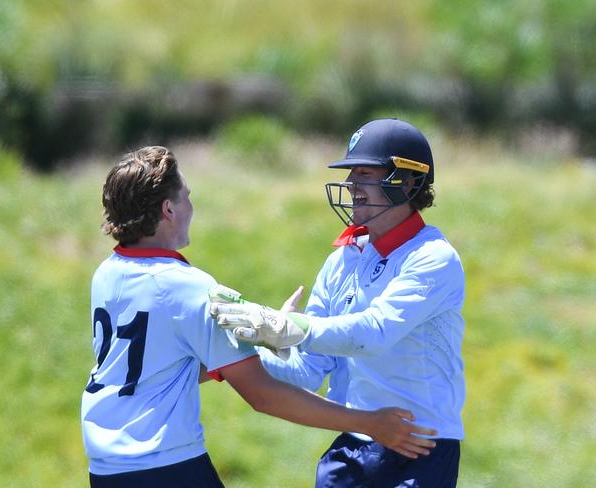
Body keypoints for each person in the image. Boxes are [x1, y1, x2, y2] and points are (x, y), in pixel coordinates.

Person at [80, 145, 438, 487]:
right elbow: (262, 395)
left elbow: (161, 367)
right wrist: (368, 423)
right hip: (163, 463)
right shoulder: (188, 287)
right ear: (169, 210)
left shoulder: (107, 274)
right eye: (186, 196)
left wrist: (261, 338)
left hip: (105, 466)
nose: (191, 206)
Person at [211, 119, 466, 487]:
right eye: (351, 173)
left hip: (420, 448)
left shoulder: (433, 258)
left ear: (408, 182)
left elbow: (374, 332)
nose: (351, 185)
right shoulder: (343, 259)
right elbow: (307, 371)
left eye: (364, 173)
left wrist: (287, 328)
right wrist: (235, 345)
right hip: (355, 445)